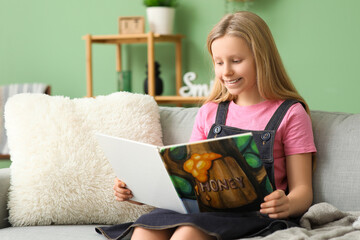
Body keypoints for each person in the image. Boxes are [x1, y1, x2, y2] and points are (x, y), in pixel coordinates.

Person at [98, 11, 316, 240]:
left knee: (187, 234)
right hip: (204, 211)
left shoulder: (291, 114)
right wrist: (138, 190)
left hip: (255, 216)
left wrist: (287, 204)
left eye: (236, 61)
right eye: (219, 62)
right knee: (145, 230)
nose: (226, 71)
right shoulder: (210, 111)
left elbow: (303, 191)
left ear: (262, 58)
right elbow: (189, 182)